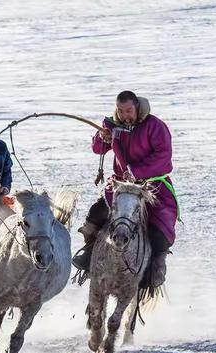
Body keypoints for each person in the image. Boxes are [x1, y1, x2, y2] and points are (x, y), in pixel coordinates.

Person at [72, 91, 178, 288]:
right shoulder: (114, 125)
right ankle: (90, 252)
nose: (125, 115)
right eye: (120, 111)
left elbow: (163, 155)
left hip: (153, 185)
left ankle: (157, 265)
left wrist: (135, 171)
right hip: (120, 185)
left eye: (128, 110)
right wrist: (102, 137)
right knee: (96, 214)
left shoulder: (155, 126)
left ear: (137, 107)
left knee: (160, 225)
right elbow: (98, 148)